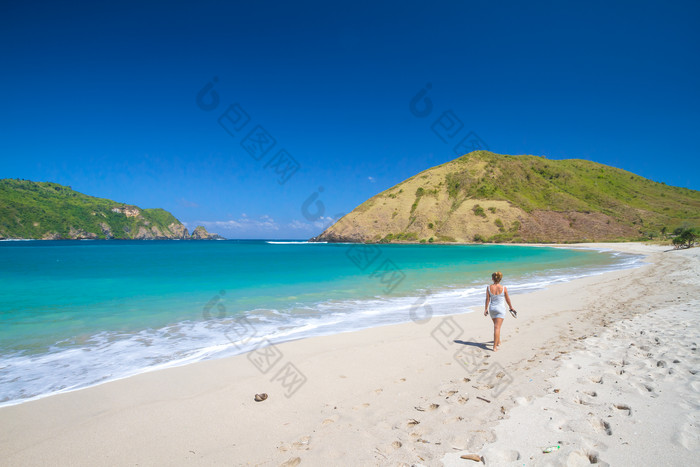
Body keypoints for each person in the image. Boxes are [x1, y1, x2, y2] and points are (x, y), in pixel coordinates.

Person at [483, 271, 516, 351]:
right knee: (497, 327)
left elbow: (487, 299)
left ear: (492, 278)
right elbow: (507, 299)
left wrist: (486, 309)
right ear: (500, 279)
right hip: (500, 309)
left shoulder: (488, 287)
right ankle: (494, 347)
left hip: (492, 309)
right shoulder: (504, 288)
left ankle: (498, 341)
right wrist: (511, 307)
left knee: (496, 326)